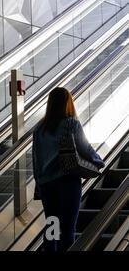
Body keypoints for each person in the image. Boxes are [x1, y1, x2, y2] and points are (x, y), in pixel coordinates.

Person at [32, 87, 104, 251]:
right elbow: (84, 148)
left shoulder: (39, 129)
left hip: (46, 184)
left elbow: (36, 159)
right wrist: (99, 162)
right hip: (67, 181)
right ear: (67, 103)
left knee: (52, 226)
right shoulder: (71, 123)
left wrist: (40, 182)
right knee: (67, 229)